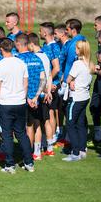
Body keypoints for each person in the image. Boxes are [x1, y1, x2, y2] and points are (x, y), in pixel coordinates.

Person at [0, 38, 34, 174]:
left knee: (7, 135)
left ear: (1, 49)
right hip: (20, 103)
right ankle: (29, 162)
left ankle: (10, 165)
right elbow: (26, 84)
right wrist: (22, 96)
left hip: (5, 103)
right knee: (21, 133)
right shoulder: (21, 63)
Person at [15, 34, 48, 161]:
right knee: (36, 124)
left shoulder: (18, 59)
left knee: (26, 127)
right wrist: (36, 96)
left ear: (18, 44)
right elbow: (43, 78)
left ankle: (27, 155)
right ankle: (37, 152)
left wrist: (29, 97)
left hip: (23, 98)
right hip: (35, 98)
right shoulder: (37, 58)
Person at [63, 40, 93, 162]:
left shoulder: (78, 64)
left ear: (80, 50)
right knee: (80, 124)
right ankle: (82, 149)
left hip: (76, 98)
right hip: (85, 97)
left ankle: (75, 152)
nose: (75, 49)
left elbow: (67, 78)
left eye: (76, 48)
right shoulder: (90, 64)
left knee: (70, 123)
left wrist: (70, 81)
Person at [28, 33, 55, 157]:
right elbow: (49, 75)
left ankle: (37, 152)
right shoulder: (45, 56)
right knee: (47, 121)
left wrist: (40, 93)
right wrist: (48, 91)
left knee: (37, 123)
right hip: (46, 92)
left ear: (32, 44)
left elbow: (41, 77)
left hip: (38, 93)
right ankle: (50, 149)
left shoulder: (35, 58)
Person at [39, 22, 61, 150]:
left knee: (50, 112)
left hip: (52, 85)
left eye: (40, 30)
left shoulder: (53, 47)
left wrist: (49, 83)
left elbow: (57, 68)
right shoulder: (46, 45)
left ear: (45, 33)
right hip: (48, 84)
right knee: (47, 112)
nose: (39, 32)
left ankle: (51, 140)